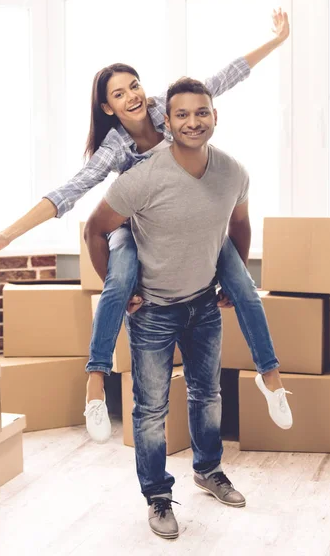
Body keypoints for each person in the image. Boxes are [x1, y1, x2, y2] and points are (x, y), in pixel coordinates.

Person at [0, 9, 292, 442]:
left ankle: (272, 378)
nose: (132, 96)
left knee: (244, 285)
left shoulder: (167, 112)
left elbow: (226, 76)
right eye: (119, 93)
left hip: (192, 225)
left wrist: (277, 41)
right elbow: (67, 194)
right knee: (117, 284)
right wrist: (8, 234)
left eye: (134, 85)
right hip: (134, 228)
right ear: (108, 107)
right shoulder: (114, 148)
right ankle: (96, 381)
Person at [84, 77, 257, 538]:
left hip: (202, 305)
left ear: (215, 116)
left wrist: (228, 277)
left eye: (202, 112)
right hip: (154, 311)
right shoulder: (141, 177)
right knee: (151, 411)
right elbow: (94, 230)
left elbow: (239, 225)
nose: (193, 121)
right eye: (182, 114)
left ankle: (209, 470)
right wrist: (119, 288)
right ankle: (158, 496)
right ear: (167, 121)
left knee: (207, 395)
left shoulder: (232, 172)